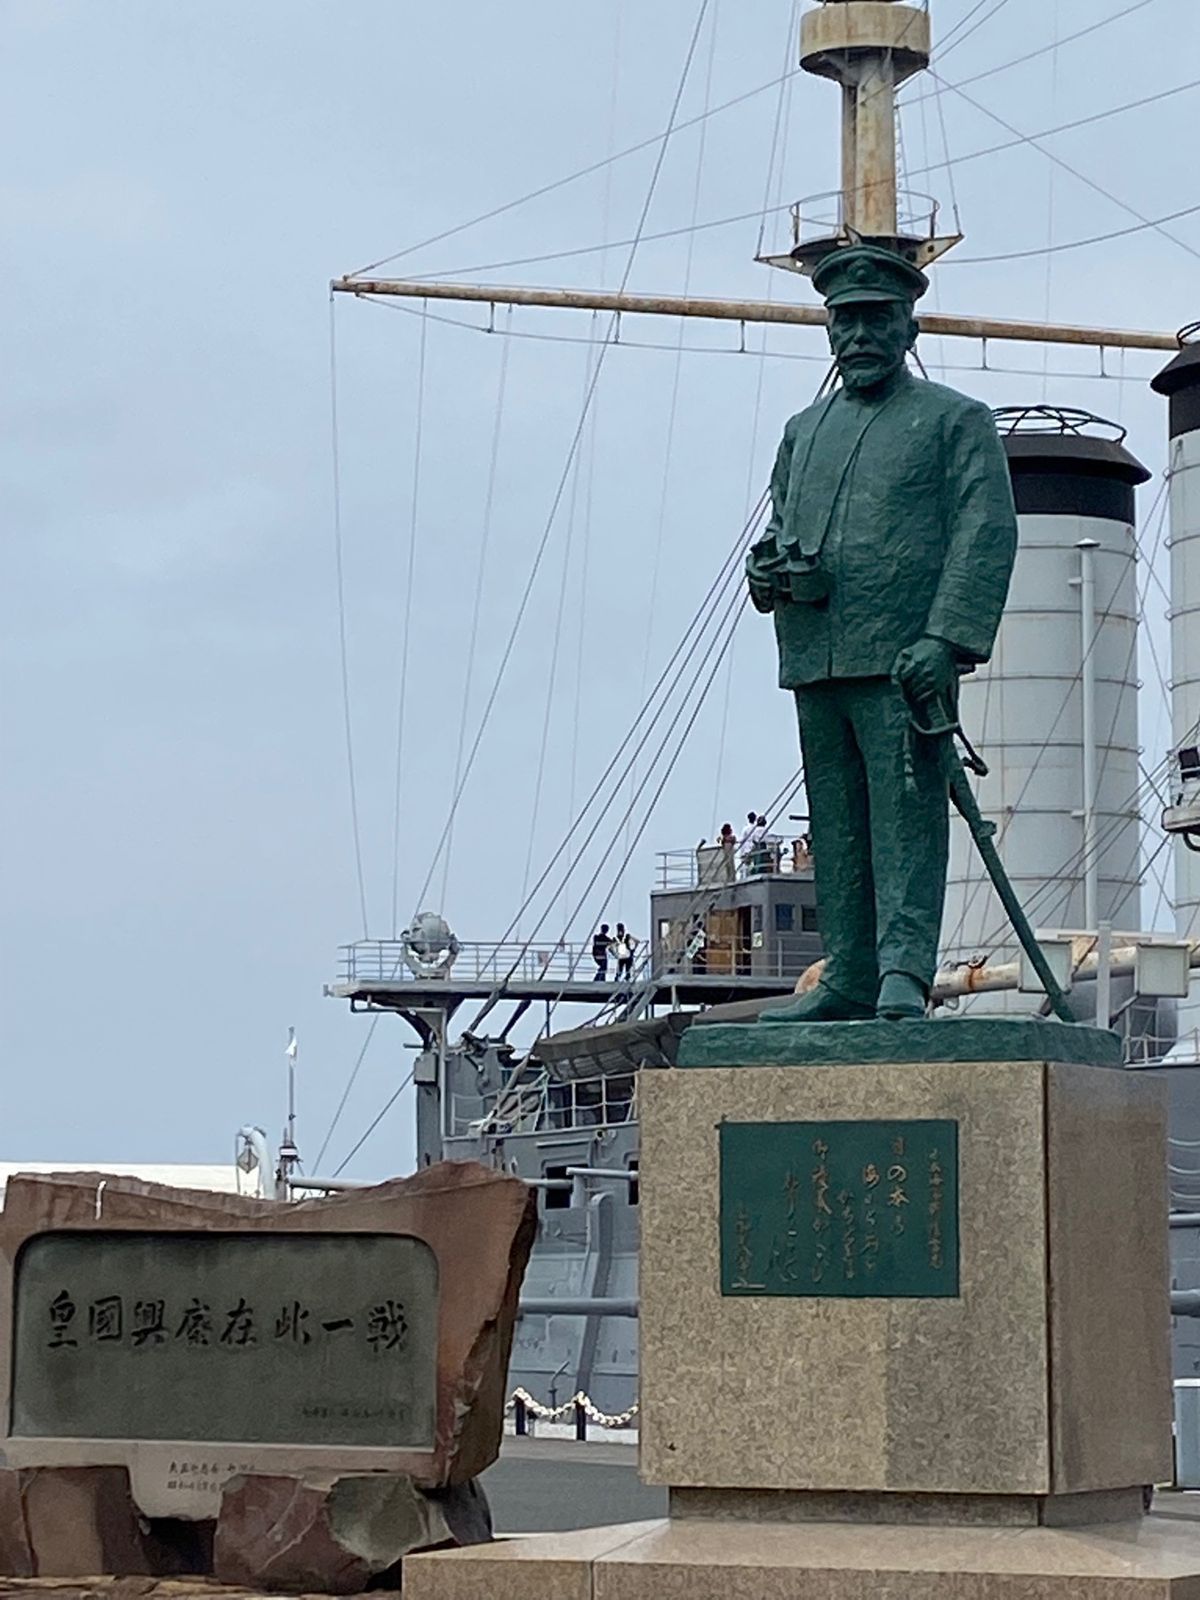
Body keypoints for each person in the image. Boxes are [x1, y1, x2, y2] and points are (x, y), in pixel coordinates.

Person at [746, 243, 1017, 1022]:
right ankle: (849, 974)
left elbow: (985, 529)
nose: (859, 336)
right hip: (816, 653)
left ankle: (903, 971)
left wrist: (946, 637)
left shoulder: (953, 421)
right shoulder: (804, 430)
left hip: (903, 656)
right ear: (828, 331)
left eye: (875, 319)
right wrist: (766, 576)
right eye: (845, 321)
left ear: (908, 327)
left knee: (905, 819)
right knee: (835, 827)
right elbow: (779, 530)